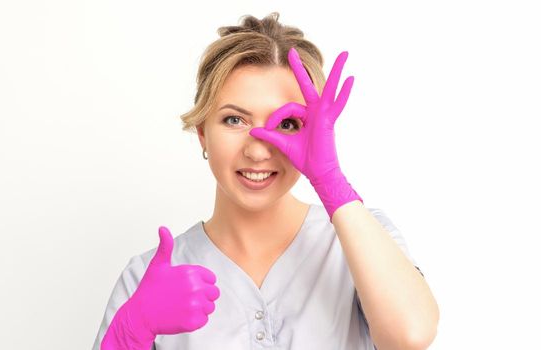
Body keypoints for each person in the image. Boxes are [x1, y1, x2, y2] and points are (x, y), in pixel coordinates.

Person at [93, 12, 439, 350]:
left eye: (287, 124)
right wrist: (130, 333)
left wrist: (331, 181)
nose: (258, 152)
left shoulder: (361, 238)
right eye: (234, 120)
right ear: (202, 133)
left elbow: (410, 338)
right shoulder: (149, 277)